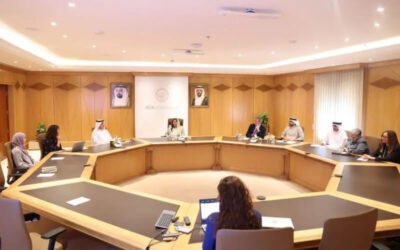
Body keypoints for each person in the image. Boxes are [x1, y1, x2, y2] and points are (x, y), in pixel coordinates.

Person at [202, 176, 261, 250]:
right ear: (244, 194)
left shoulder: (213, 219)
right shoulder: (256, 216)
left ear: (222, 198)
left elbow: (207, 248)